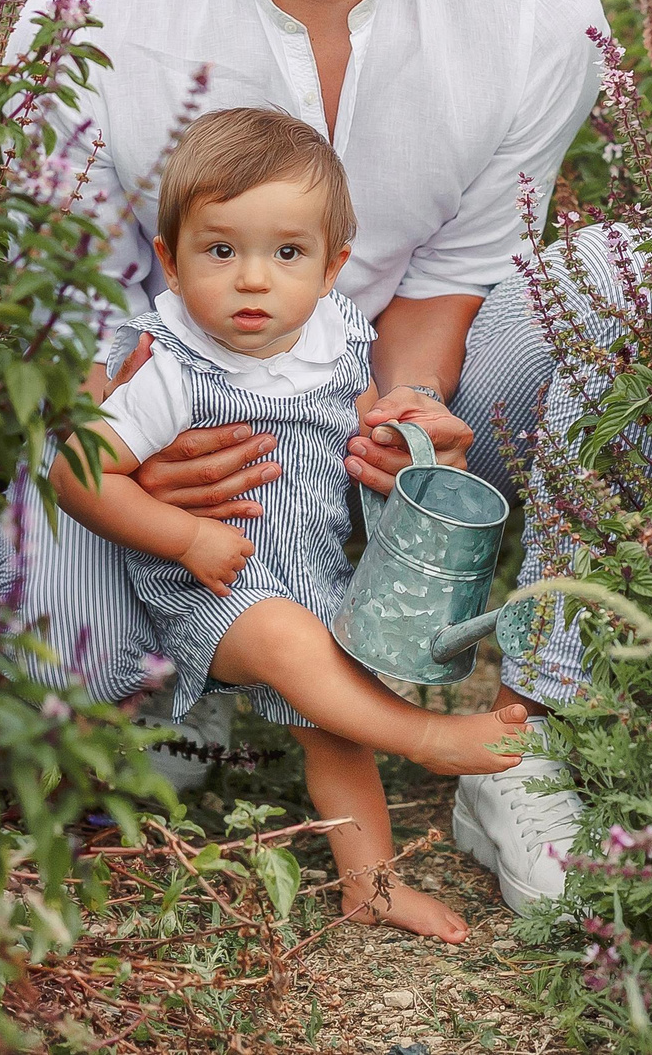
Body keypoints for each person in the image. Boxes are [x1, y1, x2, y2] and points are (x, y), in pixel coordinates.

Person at [0, 0, 610, 911]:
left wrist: (409, 417)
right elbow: (55, 323)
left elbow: (448, 280)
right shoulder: (90, 15)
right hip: (164, 419)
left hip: (359, 405)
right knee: (65, 682)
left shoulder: (534, 12)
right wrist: (147, 462)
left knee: (625, 282)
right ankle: (218, 681)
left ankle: (535, 731)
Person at [46, 107, 531, 941]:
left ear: (333, 265)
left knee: (339, 719)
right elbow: (77, 472)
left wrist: (404, 441)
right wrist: (185, 536)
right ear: (170, 260)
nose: (253, 280)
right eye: (220, 250)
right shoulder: (170, 366)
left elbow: (362, 433)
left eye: (288, 253)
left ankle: (368, 884)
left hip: (307, 575)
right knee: (283, 639)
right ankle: (430, 739)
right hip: (208, 588)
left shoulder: (338, 339)